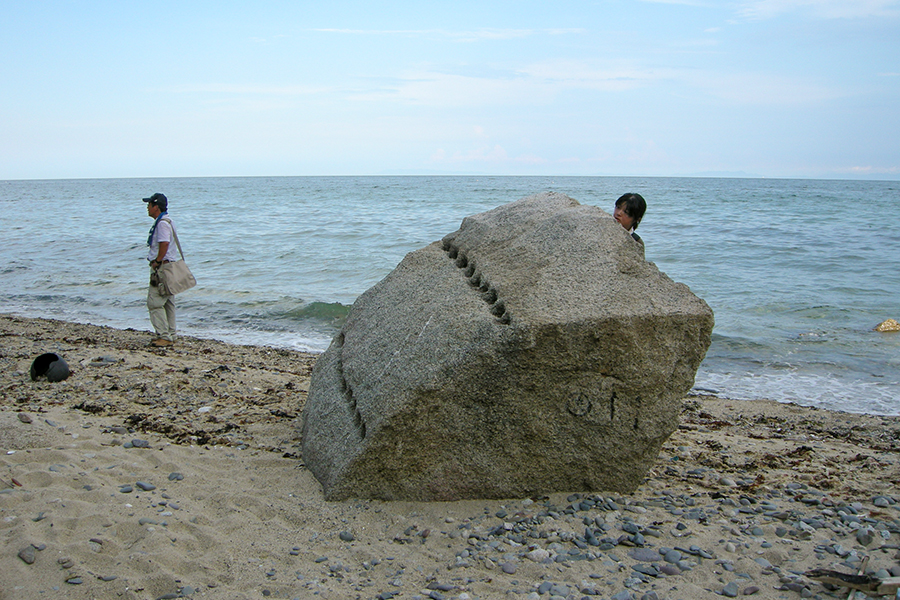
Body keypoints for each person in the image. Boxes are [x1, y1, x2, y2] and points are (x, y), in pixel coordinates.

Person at [144, 193, 179, 347]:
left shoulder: (162, 223)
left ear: (156, 207)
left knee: (155, 303)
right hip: (169, 265)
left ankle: (164, 336)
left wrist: (157, 261)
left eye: (149, 204)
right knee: (168, 301)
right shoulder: (169, 221)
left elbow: (164, 243)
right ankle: (171, 333)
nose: (147, 207)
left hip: (163, 266)